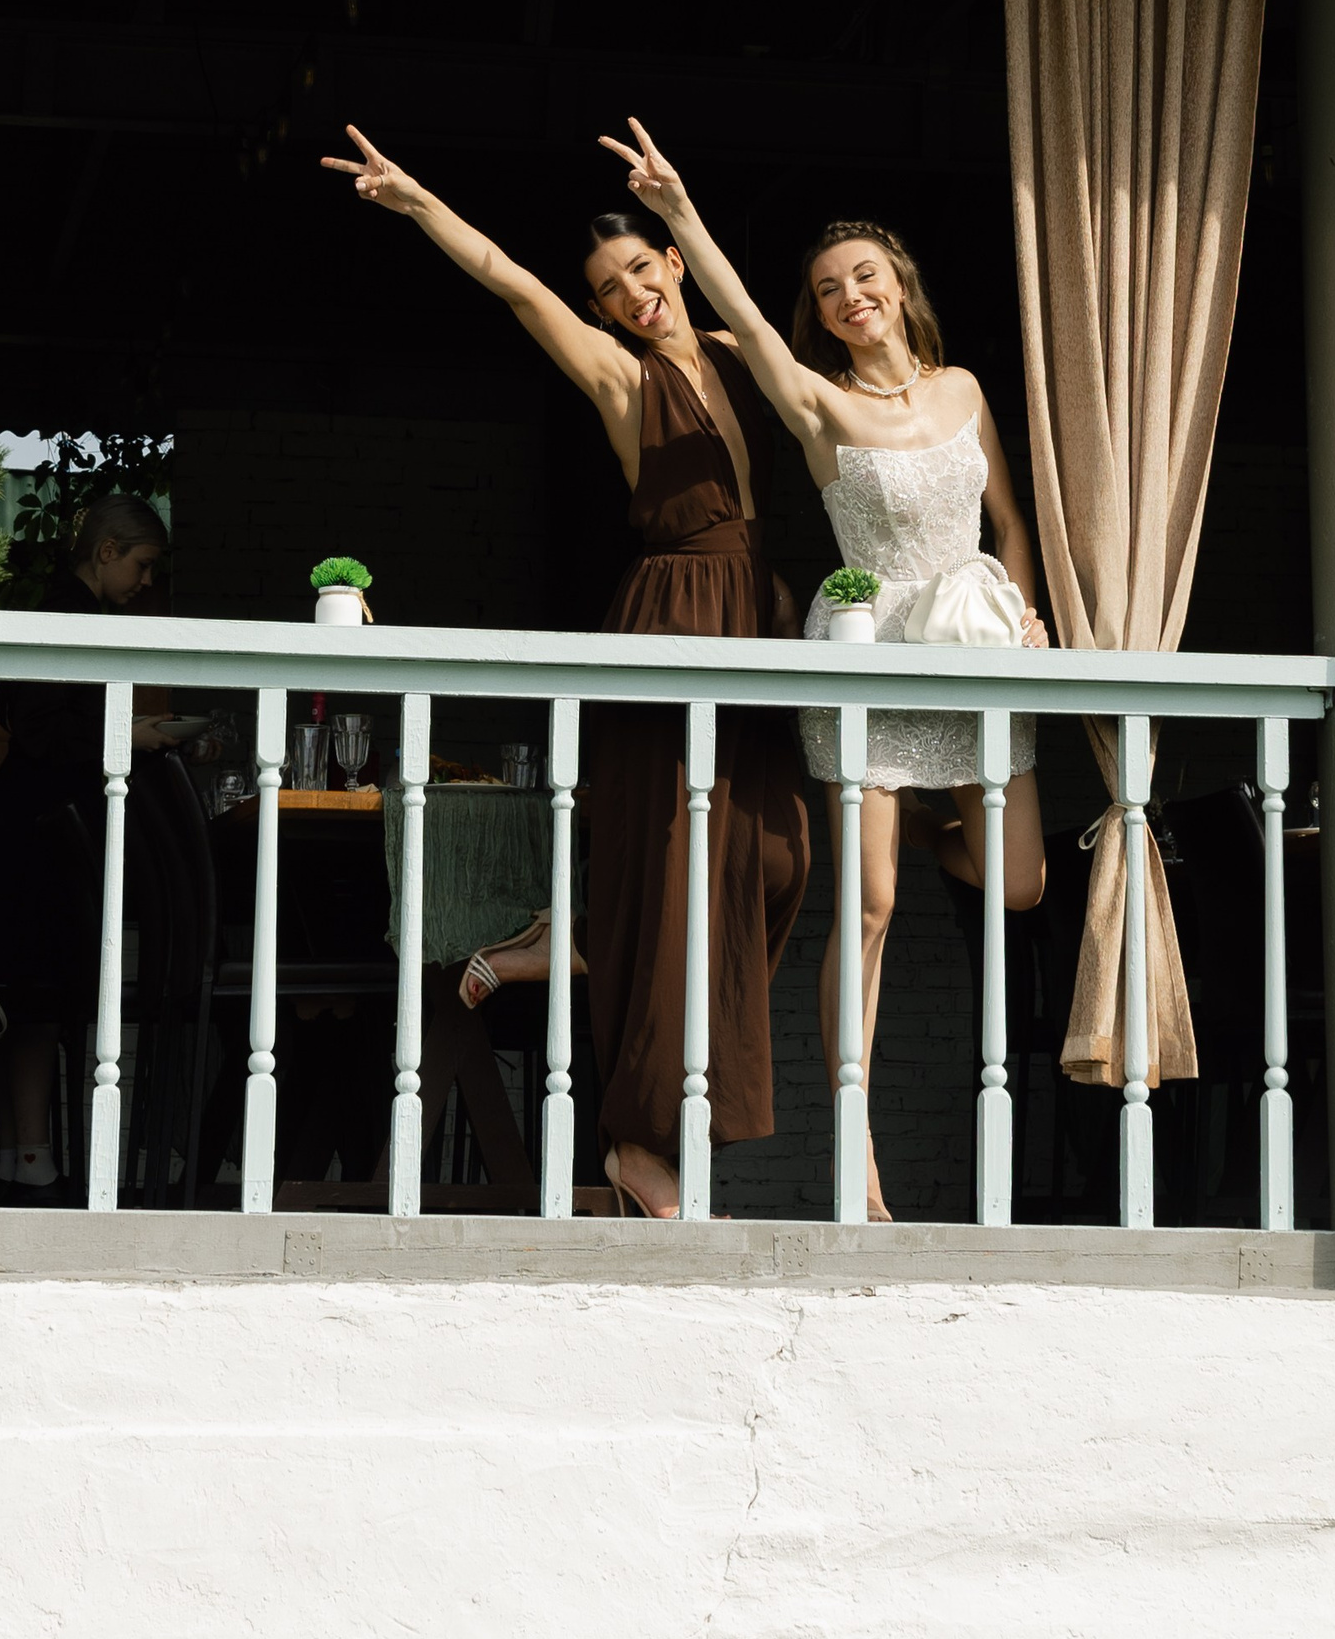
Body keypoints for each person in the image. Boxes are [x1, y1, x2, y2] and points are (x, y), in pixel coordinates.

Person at [321, 125, 810, 1221]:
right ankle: (640, 1143)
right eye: (610, 289)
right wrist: (416, 201)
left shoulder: (739, 348)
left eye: (641, 269)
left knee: (776, 860)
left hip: (751, 621)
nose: (633, 295)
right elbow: (513, 283)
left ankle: (570, 939)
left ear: (674, 262)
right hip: (673, 619)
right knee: (678, 882)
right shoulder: (621, 378)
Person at [599, 119, 1047, 1220]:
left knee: (1021, 880)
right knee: (873, 902)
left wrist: (1027, 611)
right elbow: (747, 323)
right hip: (875, 655)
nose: (851, 297)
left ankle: (928, 830)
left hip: (974, 649)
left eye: (866, 278)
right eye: (830, 289)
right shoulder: (818, 404)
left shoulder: (964, 390)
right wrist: (676, 211)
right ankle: (861, 1150)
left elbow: (1008, 519)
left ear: (900, 286)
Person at [0, 494, 172, 1204]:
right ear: (107, 551)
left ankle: (18, 1164)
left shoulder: (62, 609)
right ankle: (33, 1173)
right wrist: (130, 736)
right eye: (141, 565)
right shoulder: (69, 613)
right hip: (41, 833)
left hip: (28, 825)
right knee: (37, 1001)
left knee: (20, 1004)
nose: (145, 582)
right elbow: (38, 725)